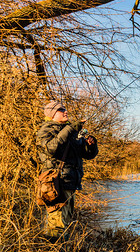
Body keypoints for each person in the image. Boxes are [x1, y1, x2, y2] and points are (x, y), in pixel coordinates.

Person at [36, 101, 98, 241]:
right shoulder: (46, 130)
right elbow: (51, 148)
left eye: (65, 109)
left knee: (65, 220)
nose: (65, 111)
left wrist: (91, 145)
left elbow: (87, 155)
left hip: (70, 182)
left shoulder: (69, 131)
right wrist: (70, 129)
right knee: (56, 223)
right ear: (52, 114)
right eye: (60, 110)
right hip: (56, 183)